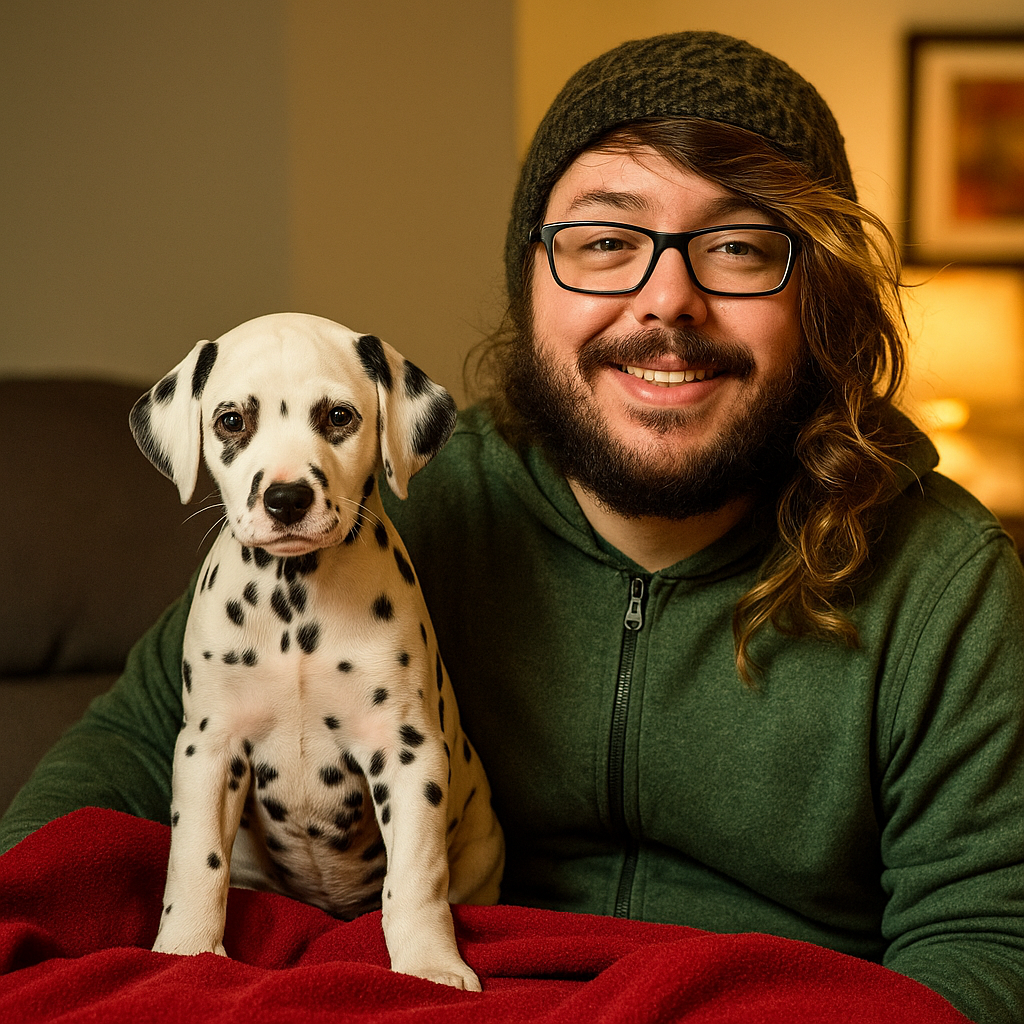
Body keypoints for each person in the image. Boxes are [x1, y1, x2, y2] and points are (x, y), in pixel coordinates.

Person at [2, 31, 1022, 1024]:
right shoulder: (380, 498)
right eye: (606, 241)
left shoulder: (945, 582)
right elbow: (127, 761)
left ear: (821, 297)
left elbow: (987, 952)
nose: (666, 298)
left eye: (740, 246)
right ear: (530, 278)